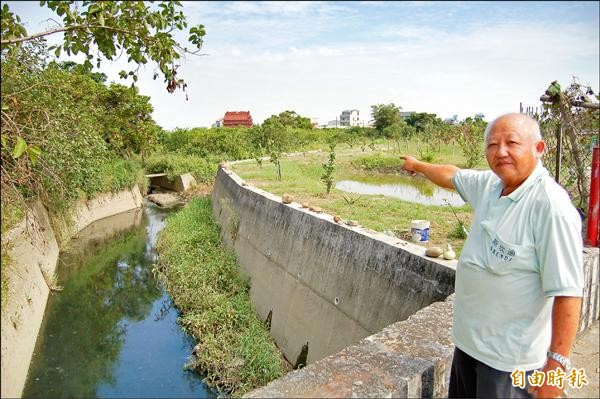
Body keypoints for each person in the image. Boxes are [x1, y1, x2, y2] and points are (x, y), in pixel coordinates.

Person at [400, 113, 583, 399]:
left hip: (509, 365)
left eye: (512, 143)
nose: (501, 152)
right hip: (468, 348)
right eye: (492, 145)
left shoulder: (550, 208)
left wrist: (556, 368)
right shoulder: (490, 185)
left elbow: (568, 292)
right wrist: (418, 166)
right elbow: (451, 175)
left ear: (539, 148)